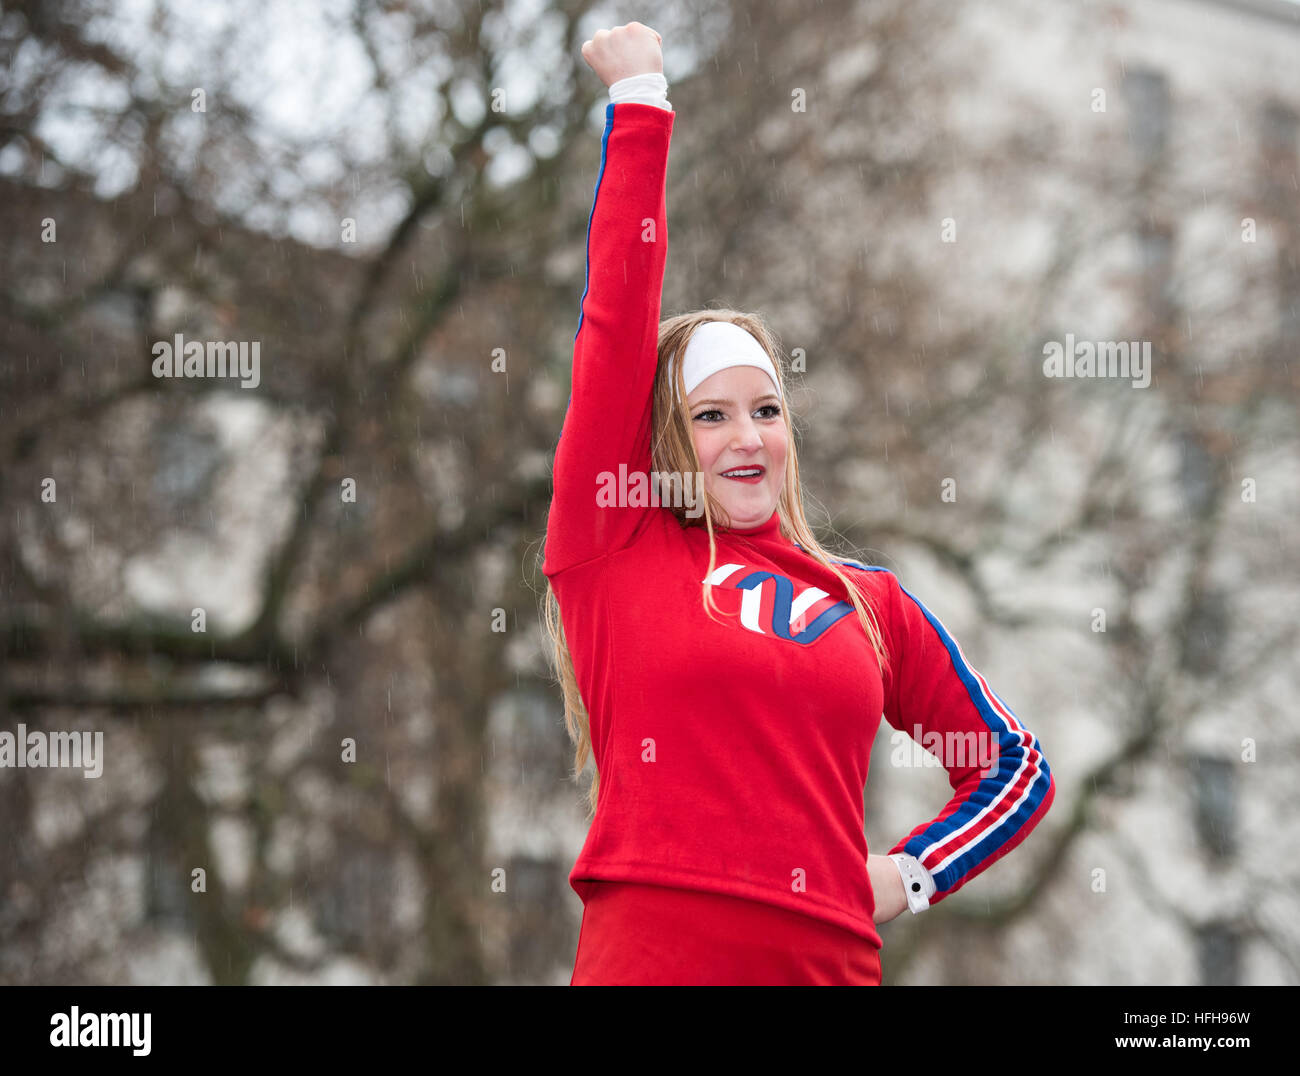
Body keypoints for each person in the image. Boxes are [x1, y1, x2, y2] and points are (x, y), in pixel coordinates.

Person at [539, 21, 1056, 985]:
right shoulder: (611, 543)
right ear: (660, 441)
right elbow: (613, 327)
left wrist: (908, 874)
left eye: (767, 409)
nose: (747, 436)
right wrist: (641, 101)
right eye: (712, 415)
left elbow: (1016, 774)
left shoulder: (871, 603)